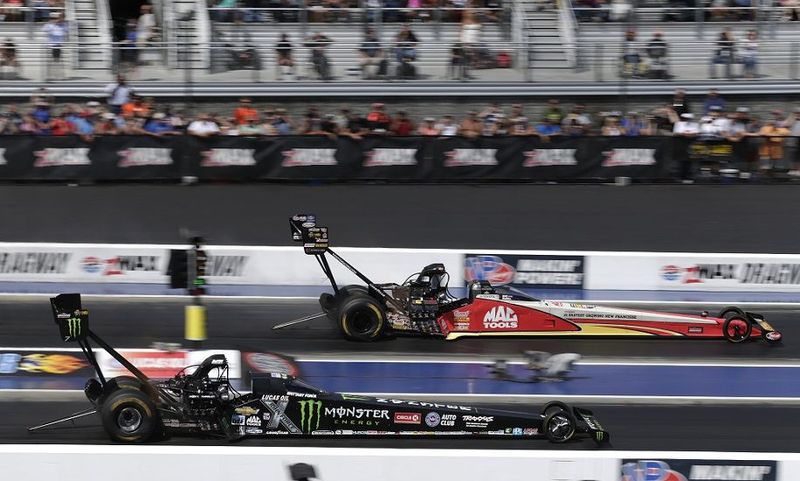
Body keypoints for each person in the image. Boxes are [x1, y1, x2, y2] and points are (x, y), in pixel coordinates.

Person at [42, 12, 67, 80]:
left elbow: (64, 32)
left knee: (58, 61)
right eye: (59, 18)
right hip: (51, 45)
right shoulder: (50, 25)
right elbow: (44, 29)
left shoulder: (64, 25)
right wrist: (51, 23)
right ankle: (49, 76)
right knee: (50, 61)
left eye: (61, 19)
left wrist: (61, 25)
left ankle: (59, 76)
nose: (59, 20)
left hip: (58, 45)